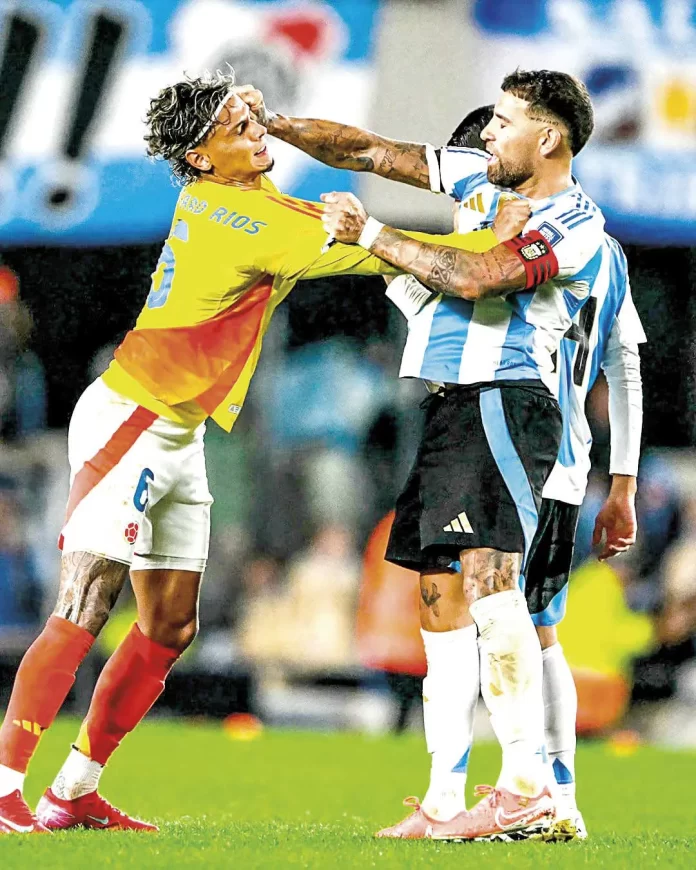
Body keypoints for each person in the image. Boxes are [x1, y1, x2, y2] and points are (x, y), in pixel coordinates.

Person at [0, 70, 528, 835]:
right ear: (201, 157)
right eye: (236, 127)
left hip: (180, 432)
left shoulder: (234, 198)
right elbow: (382, 255)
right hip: (131, 418)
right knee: (85, 603)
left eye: (251, 120)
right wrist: (495, 239)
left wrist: (264, 118)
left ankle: (73, 790)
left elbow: (310, 201)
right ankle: (5, 788)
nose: (254, 132)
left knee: (170, 627)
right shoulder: (250, 223)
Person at [241, 68, 610, 841]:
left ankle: (527, 789)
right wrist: (274, 124)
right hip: (448, 404)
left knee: (491, 583)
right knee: (439, 599)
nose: (487, 133)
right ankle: (444, 797)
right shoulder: (478, 177)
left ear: (548, 137)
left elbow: (479, 277)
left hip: (505, 400)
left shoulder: (573, 222)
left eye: (504, 121)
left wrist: (370, 235)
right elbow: (369, 150)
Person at [379, 104, 645, 841]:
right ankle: (460, 795)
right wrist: (622, 481)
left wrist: (622, 480)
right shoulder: (584, 249)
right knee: (476, 609)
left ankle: (547, 795)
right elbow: (623, 367)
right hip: (529, 445)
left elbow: (617, 364)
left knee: (528, 622)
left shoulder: (548, 244)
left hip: (527, 444)